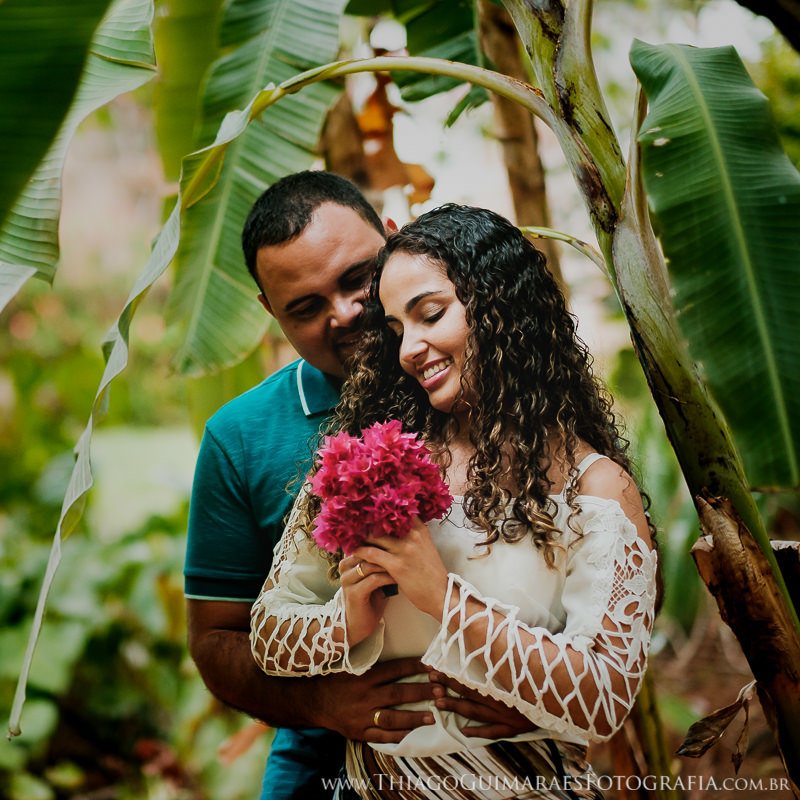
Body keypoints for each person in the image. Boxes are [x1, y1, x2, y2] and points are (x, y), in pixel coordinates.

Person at [249, 204, 659, 799]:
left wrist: (442, 598)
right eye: (396, 330)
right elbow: (268, 633)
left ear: (502, 307)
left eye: (431, 314)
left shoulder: (594, 487)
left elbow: (604, 701)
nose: (410, 348)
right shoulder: (372, 461)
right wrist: (347, 619)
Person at [184, 174, 534, 799]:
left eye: (357, 279)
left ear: (393, 240)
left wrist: (537, 691)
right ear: (271, 312)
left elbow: (609, 561)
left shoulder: (501, 382)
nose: (344, 313)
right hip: (326, 765)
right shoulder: (241, 437)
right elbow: (215, 640)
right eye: (305, 307)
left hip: (519, 759)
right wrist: (320, 702)